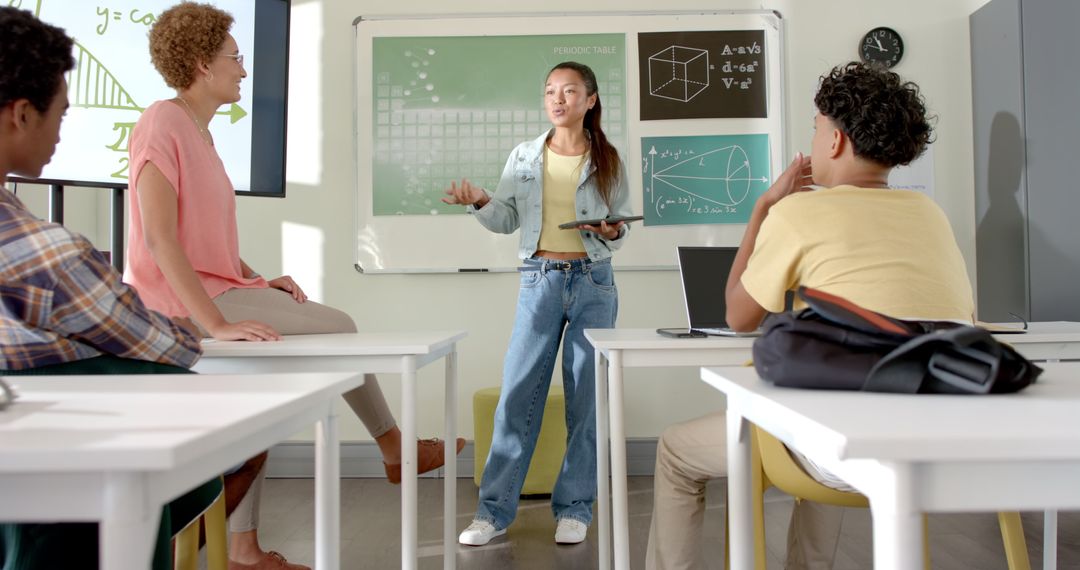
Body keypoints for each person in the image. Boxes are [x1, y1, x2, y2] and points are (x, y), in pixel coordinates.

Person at [123, 3, 462, 569]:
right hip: (176, 306)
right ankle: (393, 446)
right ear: (203, 64)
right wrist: (219, 325)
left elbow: (206, 241)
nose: (244, 70)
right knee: (340, 327)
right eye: (235, 59)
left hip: (217, 288)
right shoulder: (162, 122)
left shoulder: (201, 134)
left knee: (262, 399)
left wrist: (257, 280)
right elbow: (160, 240)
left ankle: (244, 550)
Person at [646, 61, 974, 570]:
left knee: (674, 451)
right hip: (932, 444)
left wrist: (763, 208)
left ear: (837, 140)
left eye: (816, 127)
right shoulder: (932, 215)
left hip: (835, 449)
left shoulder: (798, 213)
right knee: (835, 402)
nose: (814, 139)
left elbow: (738, 316)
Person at [0, 6, 216, 569]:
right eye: (61, 114)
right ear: (21, 115)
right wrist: (199, 327)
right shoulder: (48, 256)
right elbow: (169, 347)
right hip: (66, 493)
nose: (62, 131)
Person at [444, 61, 633, 546]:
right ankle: (492, 512)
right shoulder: (526, 156)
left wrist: (612, 230)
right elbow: (506, 220)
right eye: (551, 90)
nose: (558, 98)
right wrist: (481, 200)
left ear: (590, 100)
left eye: (570, 91)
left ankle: (575, 509)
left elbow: (618, 226)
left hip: (594, 282)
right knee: (517, 395)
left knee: (586, 400)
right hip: (540, 279)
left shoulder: (609, 158)